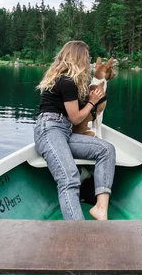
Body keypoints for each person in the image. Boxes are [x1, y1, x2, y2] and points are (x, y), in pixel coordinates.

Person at [34, 41, 116, 221]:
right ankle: (79, 232)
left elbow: (74, 119)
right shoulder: (66, 82)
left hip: (64, 132)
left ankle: (101, 208)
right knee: (69, 178)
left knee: (106, 150)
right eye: (87, 57)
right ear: (78, 58)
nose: (89, 62)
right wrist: (92, 102)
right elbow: (76, 118)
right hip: (49, 131)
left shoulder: (71, 83)